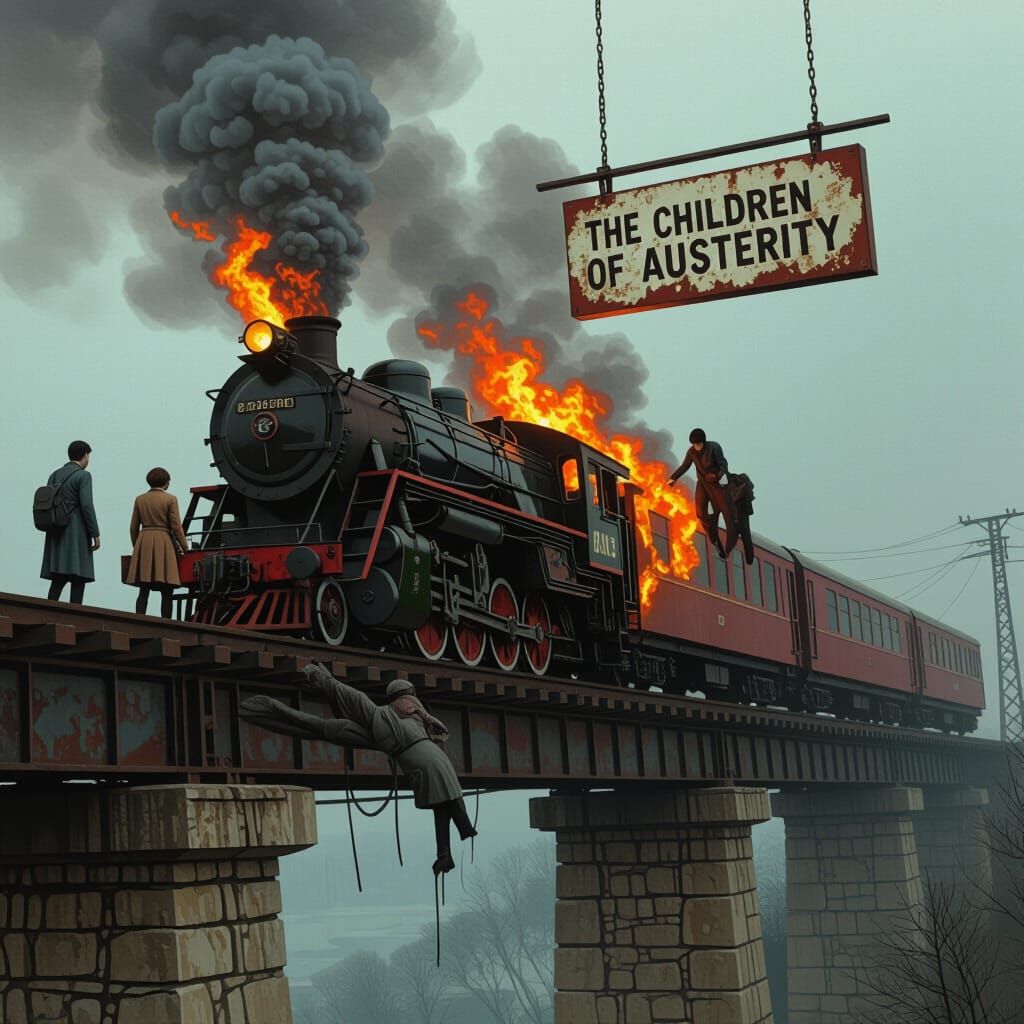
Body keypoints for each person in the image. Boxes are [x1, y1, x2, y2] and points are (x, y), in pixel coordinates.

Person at [240, 667, 477, 876]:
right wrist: (325, 682)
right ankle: (453, 843)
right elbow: (347, 706)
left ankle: (451, 846)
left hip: (422, 764)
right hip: (436, 761)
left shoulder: (383, 716)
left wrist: (323, 680)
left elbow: (351, 700)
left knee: (441, 805)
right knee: (444, 804)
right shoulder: (418, 720)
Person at [40, 440, 100, 604]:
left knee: (59, 576)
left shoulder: (54, 474)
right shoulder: (83, 475)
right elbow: (87, 505)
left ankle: (49, 610)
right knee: (79, 575)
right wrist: (95, 533)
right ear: (85, 455)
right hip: (76, 528)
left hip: (56, 527)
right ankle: (75, 615)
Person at [126, 467, 189, 617]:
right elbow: (176, 526)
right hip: (164, 541)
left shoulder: (140, 499)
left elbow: (133, 527)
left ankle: (139, 618)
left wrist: (138, 547)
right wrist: (185, 547)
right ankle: (165, 621)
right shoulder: (170, 499)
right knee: (167, 588)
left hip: (144, 540)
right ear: (166, 483)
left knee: (144, 586)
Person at [667, 428, 737, 558]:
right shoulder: (691, 452)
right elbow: (685, 466)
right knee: (700, 513)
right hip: (703, 483)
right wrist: (673, 477)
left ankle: (730, 544)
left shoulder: (714, 447)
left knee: (727, 512)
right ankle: (715, 540)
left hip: (716, 483)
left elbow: (723, 463)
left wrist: (719, 475)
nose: (697, 447)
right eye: (694, 444)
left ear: (703, 442)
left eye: (699, 444)